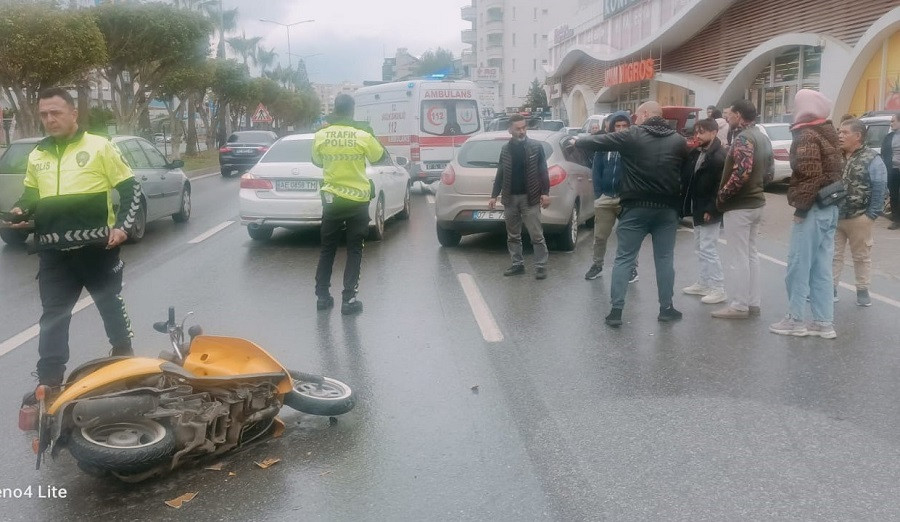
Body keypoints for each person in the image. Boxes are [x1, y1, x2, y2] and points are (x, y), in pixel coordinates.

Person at [3, 87, 141, 403]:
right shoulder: (37, 154)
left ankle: (125, 364)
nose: (49, 119)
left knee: (110, 306)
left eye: (56, 113)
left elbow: (131, 190)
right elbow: (32, 195)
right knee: (53, 317)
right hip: (53, 253)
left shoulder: (100, 147)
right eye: (44, 114)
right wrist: (22, 209)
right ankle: (49, 384)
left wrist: (122, 227)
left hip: (97, 250)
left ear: (73, 113)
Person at [574, 101, 689, 326]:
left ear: (645, 114)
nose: (634, 119)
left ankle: (616, 312)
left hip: (636, 207)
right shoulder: (678, 141)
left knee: (624, 258)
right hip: (666, 210)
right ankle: (666, 308)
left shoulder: (633, 135)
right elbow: (684, 175)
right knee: (665, 259)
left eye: (636, 115)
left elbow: (599, 142)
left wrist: (578, 140)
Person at [769, 89, 843, 339]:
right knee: (821, 268)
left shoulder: (806, 135)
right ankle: (824, 322)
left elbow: (810, 174)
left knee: (798, 266)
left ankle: (795, 319)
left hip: (812, 209)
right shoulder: (828, 132)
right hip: (830, 206)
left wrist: (801, 208)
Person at [311, 93, 385, 315]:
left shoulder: (321, 135)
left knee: (327, 248)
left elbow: (316, 161)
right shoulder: (362, 135)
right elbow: (379, 157)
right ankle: (349, 299)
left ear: (335, 109)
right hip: (357, 201)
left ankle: (322, 297)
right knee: (354, 249)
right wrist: (369, 134)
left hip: (332, 200)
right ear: (352, 110)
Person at [711, 100, 773, 319]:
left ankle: (738, 305)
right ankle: (752, 302)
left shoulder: (743, 138)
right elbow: (769, 173)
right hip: (756, 202)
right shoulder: (763, 138)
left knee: (738, 257)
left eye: (730, 113)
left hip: (740, 205)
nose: (727, 117)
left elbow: (742, 172)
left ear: (738, 115)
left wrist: (722, 195)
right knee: (750, 254)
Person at [489, 113, 551, 280]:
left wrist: (545, 193)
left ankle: (540, 266)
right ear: (510, 130)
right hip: (510, 198)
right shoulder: (505, 150)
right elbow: (500, 173)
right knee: (513, 235)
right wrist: (494, 196)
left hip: (529, 198)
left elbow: (543, 171)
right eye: (518, 129)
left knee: (536, 234)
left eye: (524, 128)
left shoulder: (536, 147)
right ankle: (517, 265)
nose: (522, 131)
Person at [833, 118, 887, 306]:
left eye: (845, 133)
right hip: (836, 215)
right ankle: (831, 289)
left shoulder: (872, 158)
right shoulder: (836, 156)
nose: (840, 136)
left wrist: (871, 214)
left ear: (858, 136)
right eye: (839, 132)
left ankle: (862, 290)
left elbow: (880, 186)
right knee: (833, 255)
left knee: (861, 256)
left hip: (859, 217)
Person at [583, 111, 638, 284]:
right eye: (617, 126)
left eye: (624, 126)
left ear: (629, 127)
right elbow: (596, 169)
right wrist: (599, 194)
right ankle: (597, 265)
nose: (621, 129)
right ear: (612, 127)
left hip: (626, 199)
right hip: (605, 197)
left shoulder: (634, 145)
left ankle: (631, 268)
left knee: (628, 237)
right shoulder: (604, 145)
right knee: (600, 236)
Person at [681, 118, 728, 305]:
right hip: (697, 206)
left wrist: (712, 209)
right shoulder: (699, 152)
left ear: (714, 132)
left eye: (701, 132)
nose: (697, 136)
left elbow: (721, 186)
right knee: (700, 247)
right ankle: (704, 282)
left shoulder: (718, 156)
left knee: (708, 249)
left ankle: (718, 288)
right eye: (696, 132)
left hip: (708, 209)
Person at [882, 112, 900, 230]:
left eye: (893, 121)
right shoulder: (889, 137)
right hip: (893, 170)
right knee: (894, 195)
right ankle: (896, 220)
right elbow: (884, 153)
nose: (891, 123)